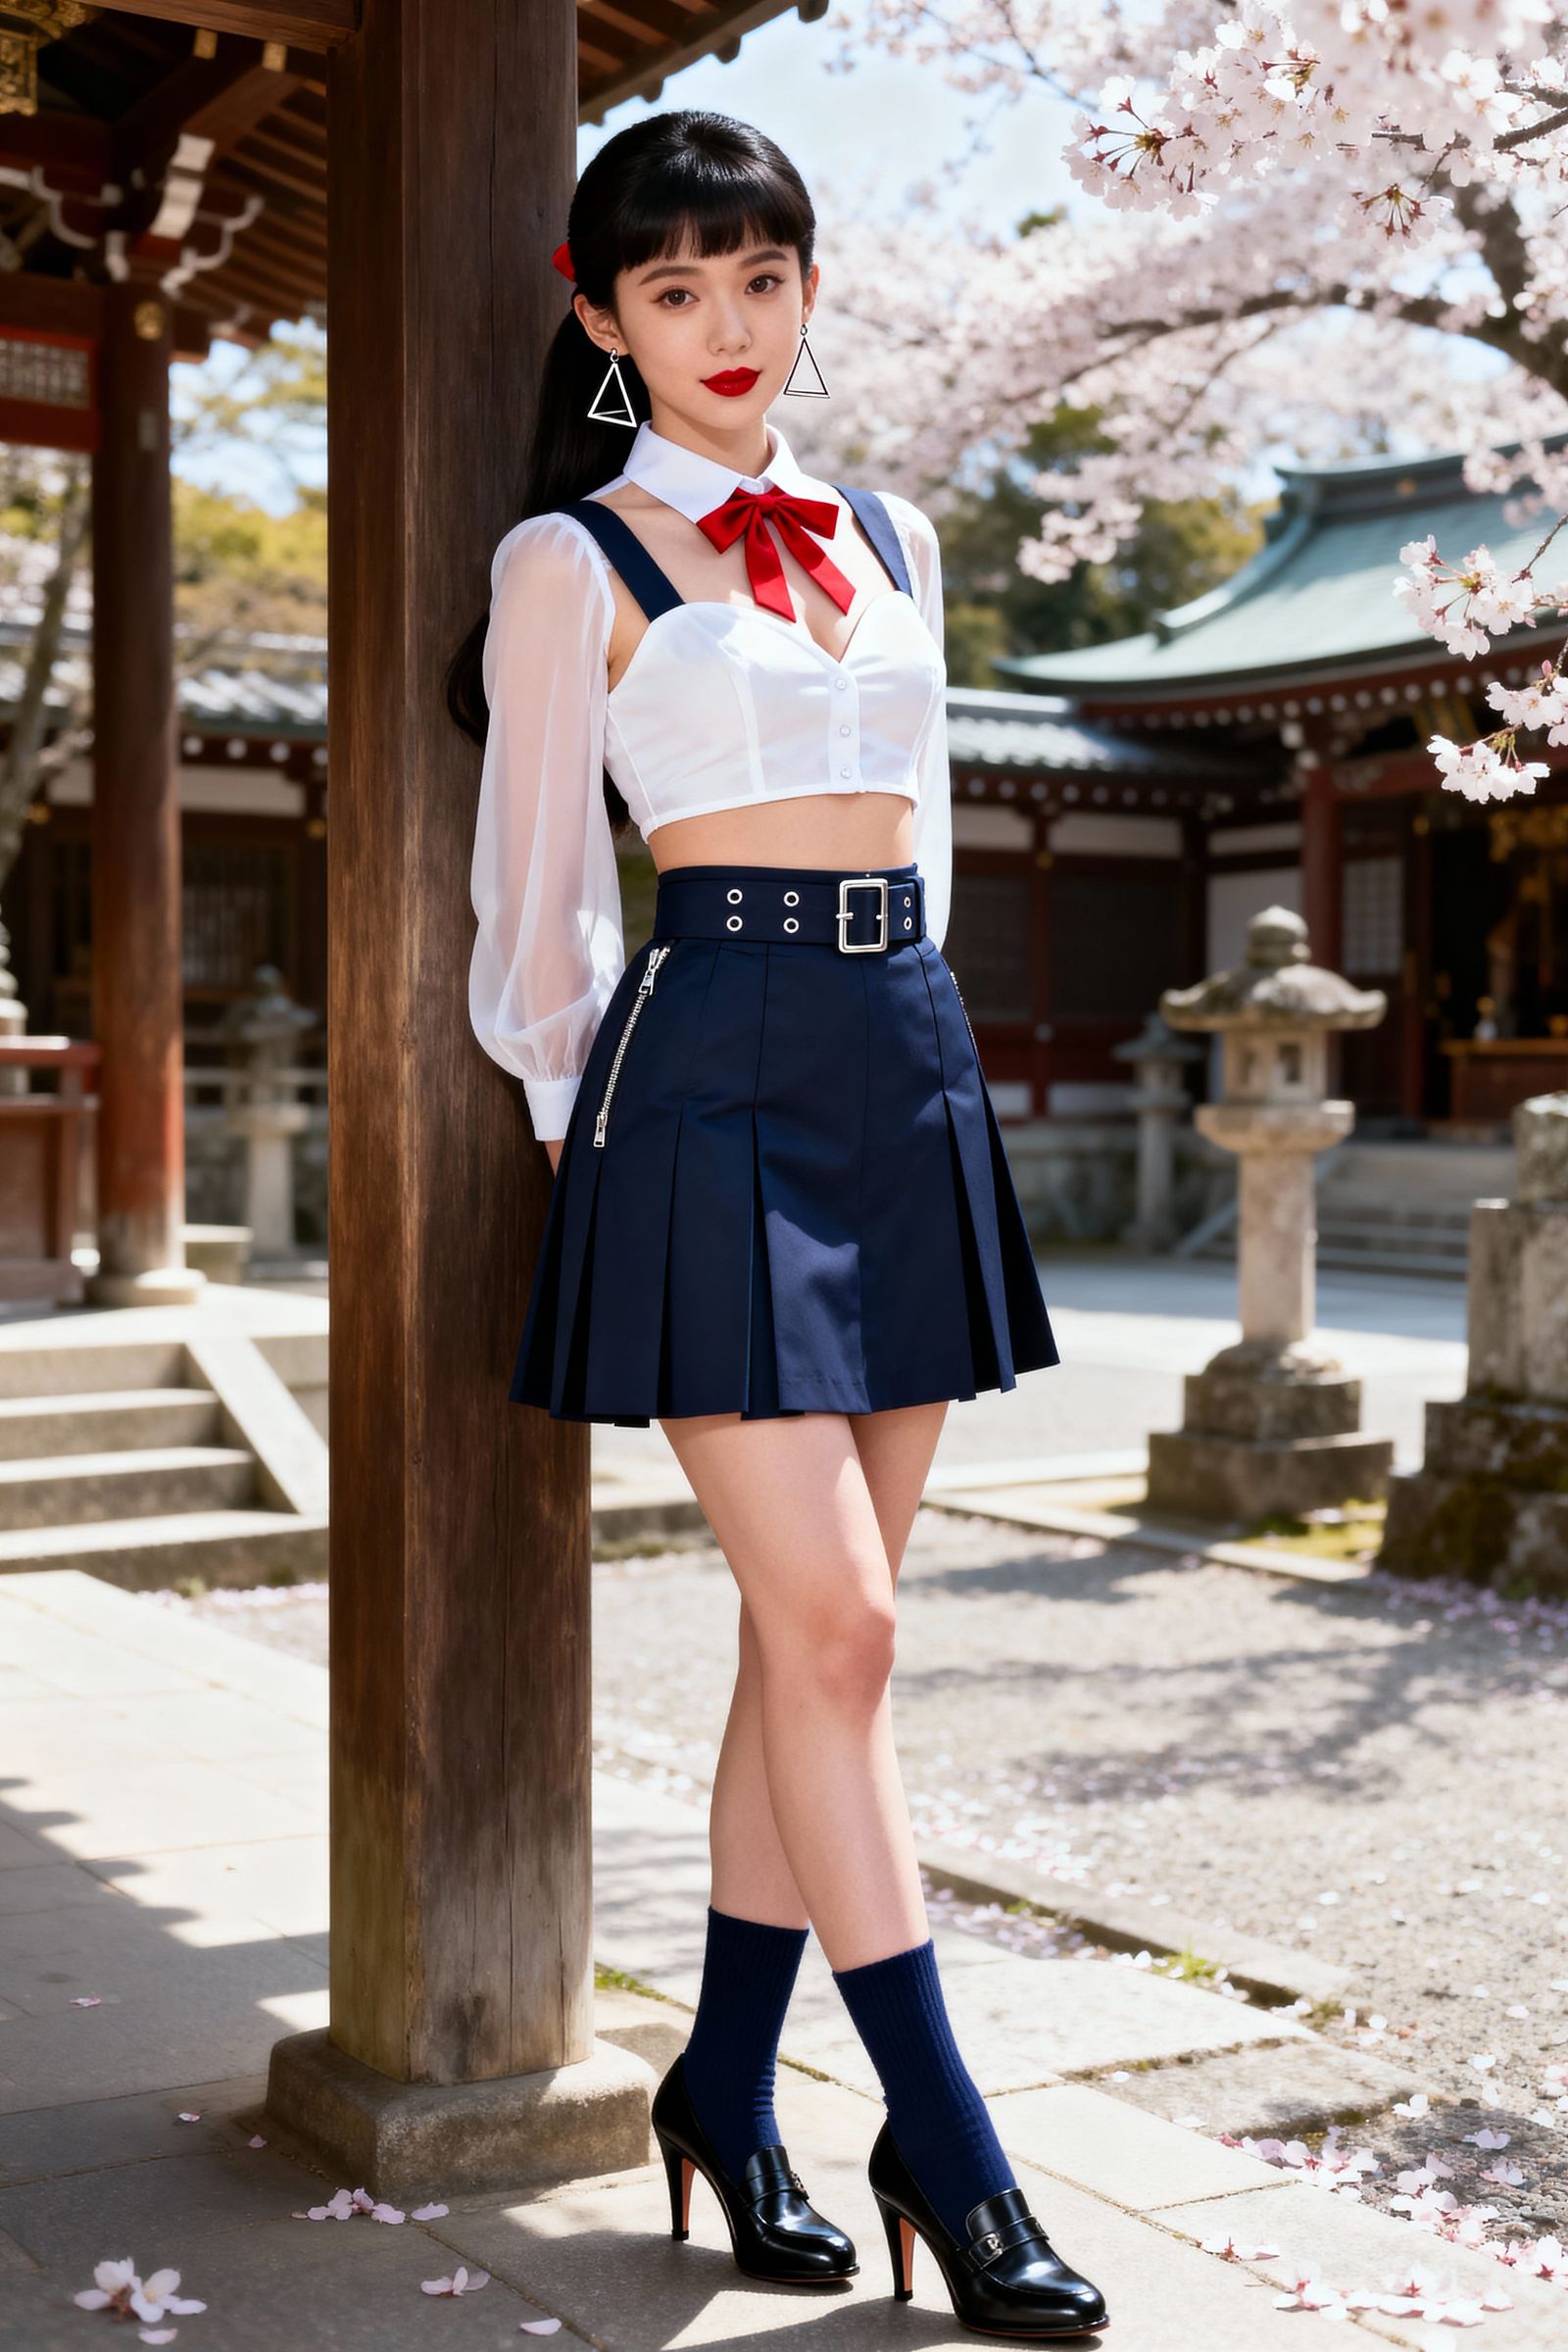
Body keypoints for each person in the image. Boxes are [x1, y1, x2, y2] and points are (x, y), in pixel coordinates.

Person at [450, 108, 1104, 2341]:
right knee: (843, 1628)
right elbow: (537, 901)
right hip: (704, 1082)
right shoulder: (574, 561)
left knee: (810, 1646)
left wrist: (923, 1053)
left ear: (809, 287)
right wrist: (596, 1141)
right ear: (605, 318)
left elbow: (922, 824)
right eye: (674, 288)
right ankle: (949, 2141)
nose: (725, 324)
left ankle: (724, 2089)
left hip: (896, 1062)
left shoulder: (892, 538)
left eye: (758, 277)